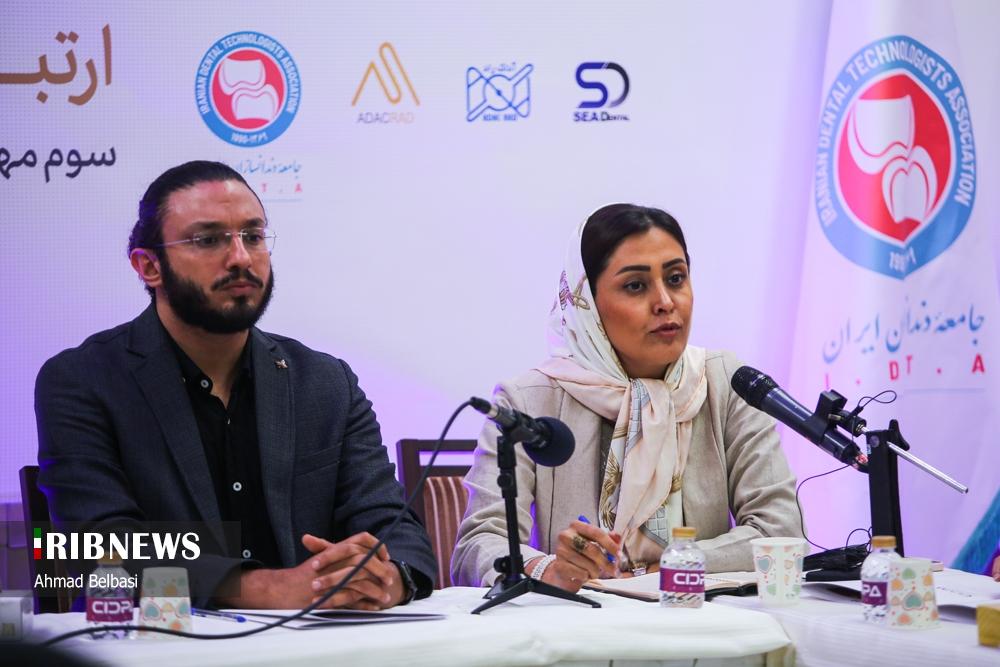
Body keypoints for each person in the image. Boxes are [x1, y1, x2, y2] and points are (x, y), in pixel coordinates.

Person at [35, 160, 435, 609]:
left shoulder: (325, 383)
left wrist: (388, 578)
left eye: (253, 236)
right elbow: (100, 553)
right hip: (159, 638)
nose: (241, 258)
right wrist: (271, 589)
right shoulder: (84, 381)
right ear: (149, 266)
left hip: (316, 640)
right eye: (208, 240)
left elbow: (394, 526)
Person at [452, 203, 803, 591]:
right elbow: (477, 545)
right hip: (581, 621)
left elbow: (781, 530)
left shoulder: (724, 383)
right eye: (635, 285)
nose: (665, 302)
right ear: (587, 303)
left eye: (676, 278)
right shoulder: (529, 401)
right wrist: (547, 569)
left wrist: (669, 566)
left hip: (701, 615)